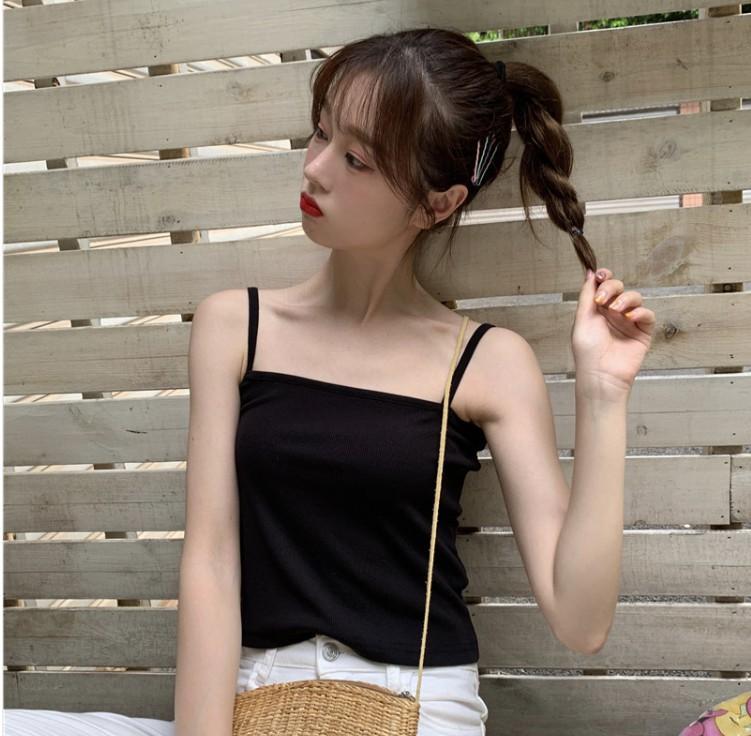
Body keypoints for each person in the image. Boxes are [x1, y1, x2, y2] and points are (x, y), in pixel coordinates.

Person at [5, 26, 655, 736]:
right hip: (248, 696)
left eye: (355, 159)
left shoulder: (486, 360)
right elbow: (212, 563)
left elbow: (580, 620)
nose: (314, 169)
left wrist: (603, 393)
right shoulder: (236, 326)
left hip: (414, 702)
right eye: (320, 133)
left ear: (437, 204)